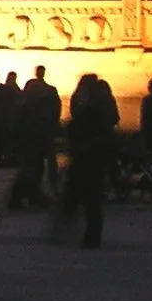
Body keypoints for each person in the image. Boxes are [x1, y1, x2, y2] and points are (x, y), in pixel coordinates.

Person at [58, 73, 118, 249]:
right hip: (91, 158)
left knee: (86, 197)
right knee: (89, 198)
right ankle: (88, 235)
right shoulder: (98, 103)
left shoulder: (90, 106)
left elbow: (81, 127)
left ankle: (85, 234)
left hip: (88, 157)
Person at [8, 65, 59, 210]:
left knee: (33, 170)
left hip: (31, 143)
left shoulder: (27, 105)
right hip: (32, 142)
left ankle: (30, 195)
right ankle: (23, 196)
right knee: (31, 170)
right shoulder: (36, 107)